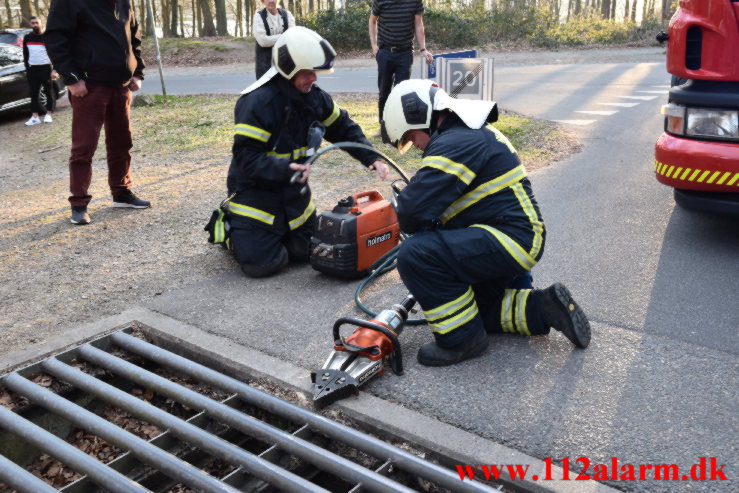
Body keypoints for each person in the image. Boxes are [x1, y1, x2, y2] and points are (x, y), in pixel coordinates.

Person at [383, 79, 591, 367]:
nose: (416, 146)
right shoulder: (468, 132)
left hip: (506, 240)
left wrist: (406, 205)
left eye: (410, 137)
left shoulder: (455, 142)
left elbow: (410, 214)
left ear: (418, 114)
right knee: (472, 309)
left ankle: (462, 341)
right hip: (512, 239)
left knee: (414, 254)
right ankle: (544, 307)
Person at [226, 26, 388, 278]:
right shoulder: (257, 103)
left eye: (316, 72)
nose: (314, 78)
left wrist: (372, 158)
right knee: (263, 265)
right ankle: (231, 230)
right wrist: (285, 169)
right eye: (307, 72)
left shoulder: (315, 98)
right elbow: (247, 158)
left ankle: (281, 236)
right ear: (287, 67)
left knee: (305, 253)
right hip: (256, 197)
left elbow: (344, 128)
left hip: (294, 196)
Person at [45, 0, 150, 226]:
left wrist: (137, 72)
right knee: (84, 147)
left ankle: (121, 192)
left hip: (121, 85)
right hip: (89, 87)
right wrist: (72, 79)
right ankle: (79, 203)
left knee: (122, 142)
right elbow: (55, 39)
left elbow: (134, 36)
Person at [368, 0, 433, 143]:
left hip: (405, 53)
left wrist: (423, 48)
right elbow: (372, 21)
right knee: (384, 92)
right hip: (385, 52)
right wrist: (374, 46)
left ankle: (399, 129)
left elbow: (418, 24)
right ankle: (384, 129)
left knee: (401, 94)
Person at [22, 16, 57, 126]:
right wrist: (28, 69)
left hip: (45, 68)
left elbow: (55, 54)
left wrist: (54, 69)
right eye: (32, 23)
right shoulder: (27, 38)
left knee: (48, 92)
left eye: (36, 23)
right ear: (30, 24)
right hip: (33, 70)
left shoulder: (47, 37)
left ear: (41, 23)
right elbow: (25, 54)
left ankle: (49, 114)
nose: (35, 25)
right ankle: (35, 117)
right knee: (33, 93)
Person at [253, 0, 295, 79]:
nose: (271, 1)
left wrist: (272, 39)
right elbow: (263, 41)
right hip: (264, 63)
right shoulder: (258, 16)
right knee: (266, 89)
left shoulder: (287, 15)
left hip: (285, 61)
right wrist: (284, 37)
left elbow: (292, 36)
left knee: (286, 88)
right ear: (263, 1)